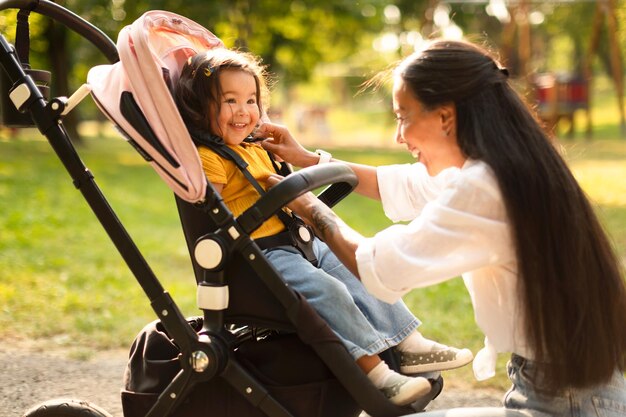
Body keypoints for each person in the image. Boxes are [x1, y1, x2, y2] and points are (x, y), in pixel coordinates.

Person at [257, 39, 626, 416]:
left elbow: (381, 268)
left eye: (403, 116)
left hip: (569, 403)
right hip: (574, 390)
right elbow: (410, 185)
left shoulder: (486, 187)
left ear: (445, 117)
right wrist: (311, 161)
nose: (398, 136)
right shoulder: (511, 165)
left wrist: (310, 209)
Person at [174, 48, 473, 406]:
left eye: (251, 100)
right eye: (230, 101)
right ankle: (377, 375)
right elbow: (209, 212)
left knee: (358, 271)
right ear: (200, 107)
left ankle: (408, 343)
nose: (243, 111)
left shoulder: (257, 146)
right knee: (326, 292)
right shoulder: (208, 157)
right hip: (260, 256)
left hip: (297, 239)